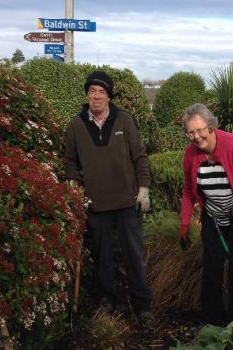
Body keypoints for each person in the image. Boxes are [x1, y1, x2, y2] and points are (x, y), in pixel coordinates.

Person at [65, 70, 152, 319]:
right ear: (87, 95)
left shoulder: (124, 120)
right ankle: (108, 301)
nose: (97, 96)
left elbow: (140, 157)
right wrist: (73, 185)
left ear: (109, 96)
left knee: (133, 254)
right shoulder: (76, 124)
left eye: (102, 92)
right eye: (92, 91)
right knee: (103, 258)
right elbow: (70, 160)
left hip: (127, 201)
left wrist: (143, 190)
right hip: (96, 204)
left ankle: (142, 304)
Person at [179, 103, 233, 326]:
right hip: (214, 219)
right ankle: (211, 321)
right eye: (191, 132)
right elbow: (188, 191)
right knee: (211, 271)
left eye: (200, 130)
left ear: (211, 126)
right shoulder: (190, 155)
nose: (196, 137)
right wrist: (185, 223)